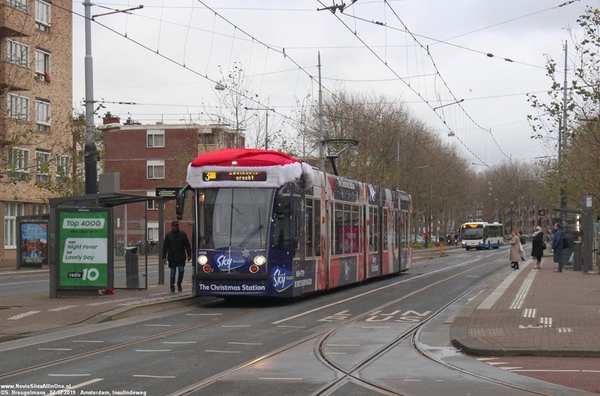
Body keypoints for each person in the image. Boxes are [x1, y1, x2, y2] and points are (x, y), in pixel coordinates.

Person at [162, 220, 192, 293]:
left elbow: (187, 245)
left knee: (181, 271)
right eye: (174, 226)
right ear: (172, 226)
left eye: (177, 225)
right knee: (172, 273)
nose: (176, 227)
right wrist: (164, 257)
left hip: (181, 256)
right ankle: (172, 287)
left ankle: (179, 284)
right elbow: (165, 247)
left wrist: (189, 254)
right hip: (172, 257)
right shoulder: (168, 235)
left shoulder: (182, 234)